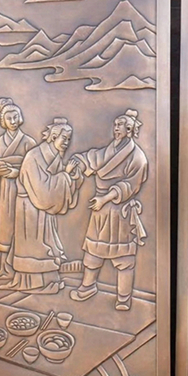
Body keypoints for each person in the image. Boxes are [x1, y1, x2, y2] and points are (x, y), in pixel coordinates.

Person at [69, 109, 148, 311]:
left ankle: (124, 297)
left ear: (129, 129)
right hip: (100, 209)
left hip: (119, 211)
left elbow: (130, 186)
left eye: (120, 125)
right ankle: (88, 287)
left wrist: (105, 199)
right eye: (115, 125)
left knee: (123, 258)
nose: (116, 128)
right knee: (93, 252)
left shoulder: (137, 157)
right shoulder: (110, 149)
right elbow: (94, 157)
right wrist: (78, 161)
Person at [0, 118, 83, 295]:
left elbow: (56, 184)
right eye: (64, 138)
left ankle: (49, 281)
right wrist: (66, 175)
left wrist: (73, 177)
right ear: (53, 137)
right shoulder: (34, 157)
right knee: (33, 246)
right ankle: (31, 284)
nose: (67, 143)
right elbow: (42, 189)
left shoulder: (54, 156)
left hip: (43, 211)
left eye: (69, 139)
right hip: (29, 209)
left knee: (45, 245)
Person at [0, 98, 36, 280]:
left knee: (23, 226)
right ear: (3, 121)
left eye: (15, 117)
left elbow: (35, 169)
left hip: (24, 191)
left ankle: (23, 266)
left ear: (20, 118)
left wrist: (15, 172)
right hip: (6, 190)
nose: (12, 121)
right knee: (6, 225)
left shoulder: (28, 142)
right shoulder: (0, 142)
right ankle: (4, 266)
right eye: (8, 118)